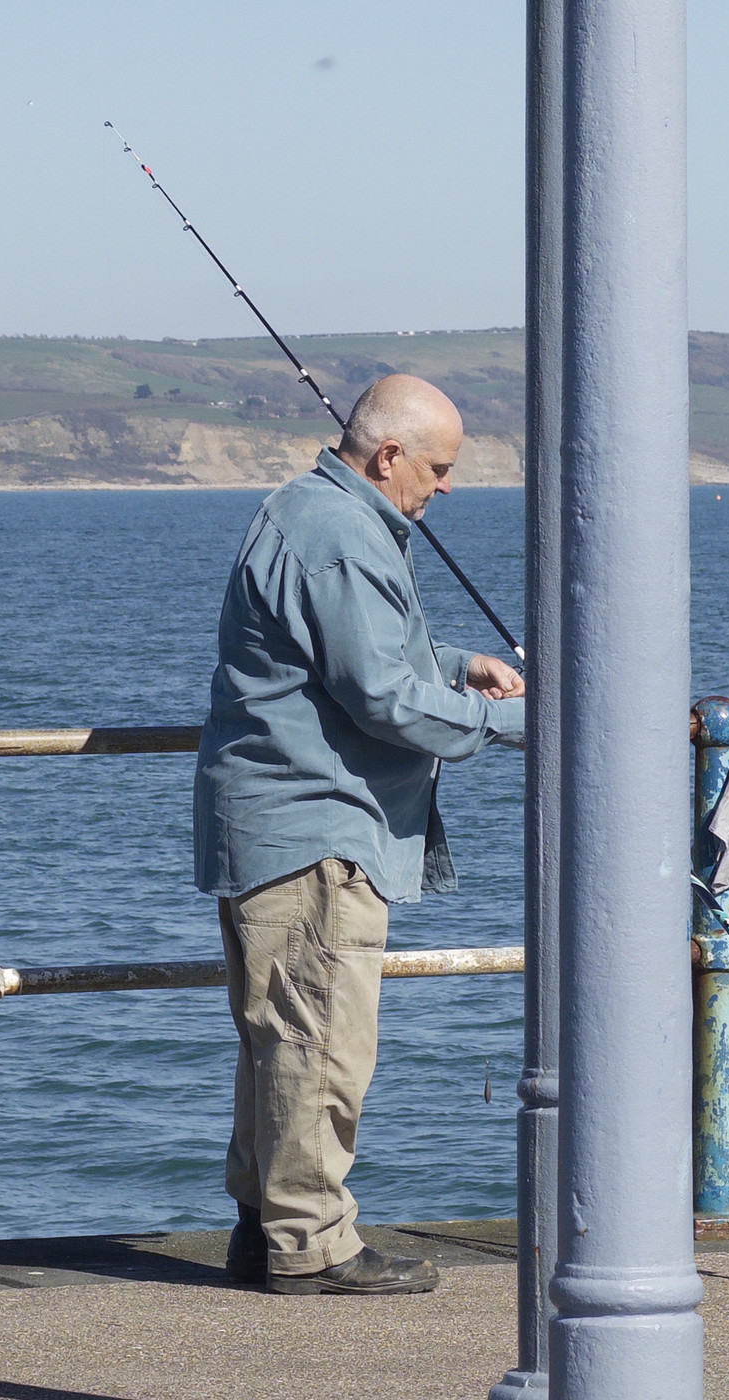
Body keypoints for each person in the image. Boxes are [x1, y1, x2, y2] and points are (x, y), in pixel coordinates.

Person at [193, 374, 525, 1295]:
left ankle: (267, 1226)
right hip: (314, 826)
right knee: (321, 1044)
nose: (448, 485)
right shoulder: (340, 535)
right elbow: (379, 697)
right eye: (441, 466)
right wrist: (518, 724)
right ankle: (314, 1245)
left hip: (274, 821)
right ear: (389, 456)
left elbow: (360, 653)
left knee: (278, 1040)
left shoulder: (308, 511)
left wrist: (460, 666)